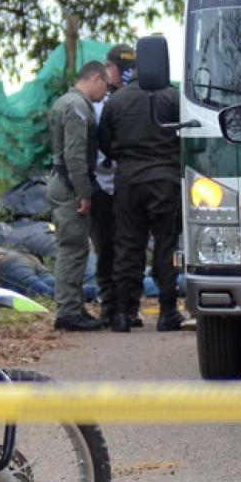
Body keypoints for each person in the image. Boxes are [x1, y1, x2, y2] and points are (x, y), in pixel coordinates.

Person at [98, 64, 185, 333]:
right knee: (167, 244)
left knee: (127, 245)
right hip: (165, 180)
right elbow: (188, 136)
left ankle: (123, 314)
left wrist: (125, 158)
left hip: (128, 181)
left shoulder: (117, 100)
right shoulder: (173, 98)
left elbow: (103, 141)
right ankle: (167, 311)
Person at [46, 60, 110, 331]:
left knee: (76, 248)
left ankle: (74, 307)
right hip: (70, 185)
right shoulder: (77, 107)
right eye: (105, 85)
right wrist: (84, 192)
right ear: (95, 78)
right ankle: (68, 312)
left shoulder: (67, 101)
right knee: (72, 249)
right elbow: (74, 154)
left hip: (64, 182)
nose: (105, 92)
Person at [90, 44, 142, 329]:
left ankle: (128, 307)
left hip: (126, 185)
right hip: (101, 186)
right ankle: (110, 307)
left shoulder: (135, 98)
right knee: (106, 249)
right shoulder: (96, 102)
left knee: (129, 249)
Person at [0, 249, 100, 303]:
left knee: (48, 294)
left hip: (5, 264)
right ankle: (102, 292)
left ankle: (102, 293)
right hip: (30, 258)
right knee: (60, 289)